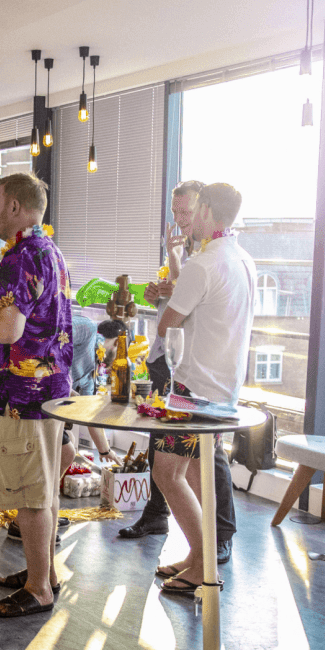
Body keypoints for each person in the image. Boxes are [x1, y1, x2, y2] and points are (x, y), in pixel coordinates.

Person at [0, 172, 72, 619]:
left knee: (30, 495)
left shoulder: (20, 258)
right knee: (42, 489)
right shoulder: (49, 251)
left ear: (16, 209)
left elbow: (8, 331)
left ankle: (39, 588)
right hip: (47, 390)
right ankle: (43, 573)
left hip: (22, 396)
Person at [152, 181, 255, 592]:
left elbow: (167, 322)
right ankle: (198, 557)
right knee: (195, 475)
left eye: (195, 209)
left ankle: (203, 563)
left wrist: (173, 292)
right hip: (224, 385)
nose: (188, 218)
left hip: (193, 390)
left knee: (166, 472)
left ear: (209, 209)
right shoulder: (243, 258)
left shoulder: (204, 264)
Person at [3, 313, 120, 546]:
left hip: (49, 405)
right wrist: (65, 384)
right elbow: (50, 336)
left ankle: (39, 515)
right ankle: (26, 522)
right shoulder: (87, 328)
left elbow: (88, 412)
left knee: (67, 452)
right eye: (122, 352)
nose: (120, 361)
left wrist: (105, 452)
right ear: (118, 341)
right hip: (31, 389)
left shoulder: (92, 373)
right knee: (64, 453)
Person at [118, 200, 195, 539]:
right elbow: (172, 303)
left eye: (186, 212)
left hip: (183, 363)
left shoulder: (202, 259)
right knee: (156, 440)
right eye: (176, 213)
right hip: (163, 358)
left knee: (182, 454)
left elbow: (188, 306)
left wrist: (174, 272)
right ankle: (156, 512)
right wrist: (155, 294)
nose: (179, 220)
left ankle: (211, 535)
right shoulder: (179, 254)